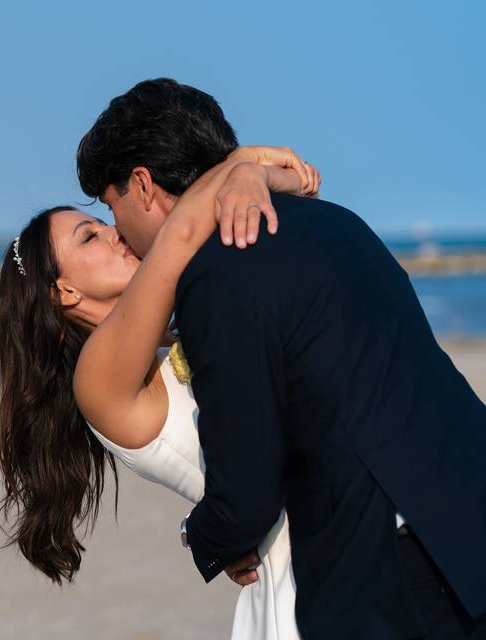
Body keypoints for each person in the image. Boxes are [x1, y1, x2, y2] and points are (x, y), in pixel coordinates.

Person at [75, 78, 486, 639]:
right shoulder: (336, 220)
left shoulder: (218, 273)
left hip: (395, 566)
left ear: (143, 186)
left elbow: (247, 493)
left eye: (111, 206)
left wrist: (204, 539)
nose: (119, 233)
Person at [0, 145, 319, 639]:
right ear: (64, 292)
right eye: (90, 237)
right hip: (296, 574)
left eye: (102, 224)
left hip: (322, 534)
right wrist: (245, 166)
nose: (114, 232)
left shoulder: (171, 332)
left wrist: (272, 180)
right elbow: (182, 232)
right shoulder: (99, 376)